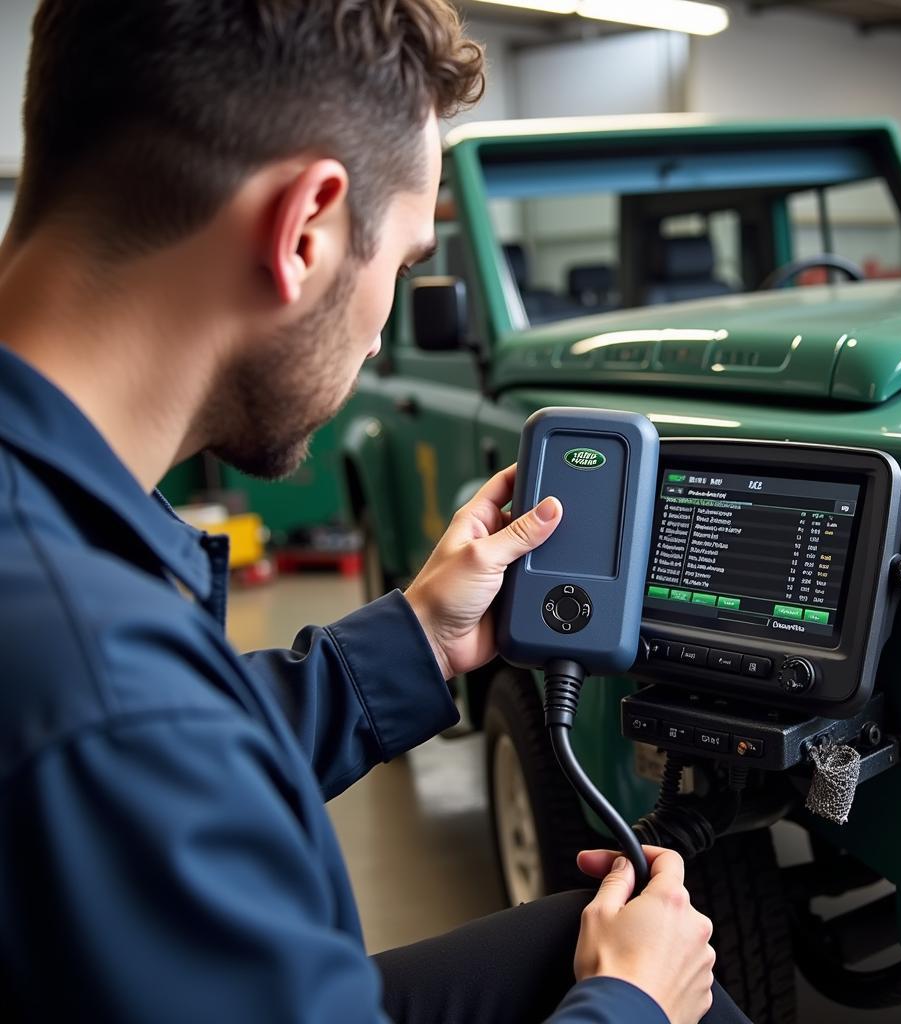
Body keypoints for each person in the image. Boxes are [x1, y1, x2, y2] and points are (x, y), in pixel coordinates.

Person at [0, 2, 752, 1022]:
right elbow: (140, 739)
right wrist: (628, 1003)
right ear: (305, 228)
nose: (377, 331)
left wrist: (418, 640)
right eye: (402, 261)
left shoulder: (63, 575)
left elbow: (176, 763)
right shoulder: (104, 682)